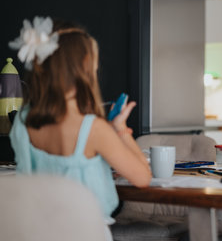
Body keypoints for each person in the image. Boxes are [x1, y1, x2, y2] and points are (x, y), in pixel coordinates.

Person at [9, 17, 151, 241]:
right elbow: (143, 177)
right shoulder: (94, 129)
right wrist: (121, 129)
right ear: (85, 66)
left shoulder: (23, 122)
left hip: (36, 232)